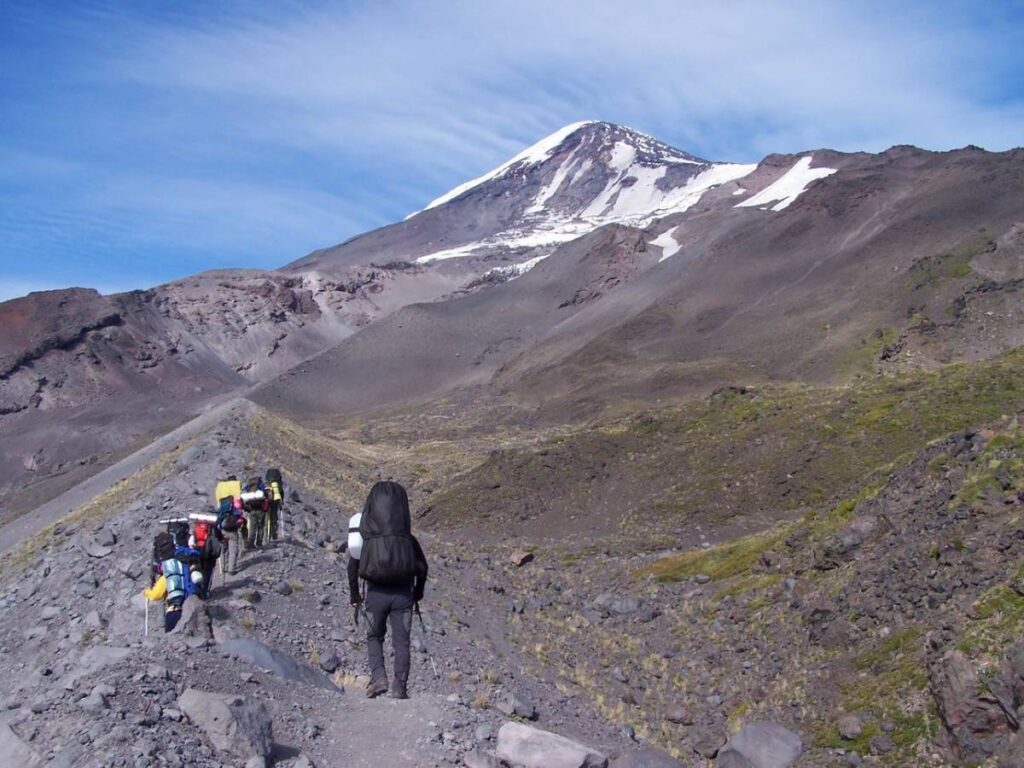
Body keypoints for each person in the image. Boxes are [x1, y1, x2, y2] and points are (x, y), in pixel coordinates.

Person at [348, 481, 428, 699]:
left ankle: (379, 678)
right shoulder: (408, 539)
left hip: (376, 595)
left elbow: (352, 566)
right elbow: (423, 567)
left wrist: (355, 596)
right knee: (402, 642)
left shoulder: (366, 538)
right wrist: (417, 593)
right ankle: (399, 687)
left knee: (374, 636)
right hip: (403, 595)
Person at [144, 532, 193, 632]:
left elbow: (155, 595)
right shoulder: (182, 566)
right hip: (188, 606)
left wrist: (146, 592)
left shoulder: (168, 575)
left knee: (173, 635)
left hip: (173, 611)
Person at [216, 496, 245, 576]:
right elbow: (240, 517)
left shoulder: (221, 509)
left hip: (222, 531)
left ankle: (223, 568)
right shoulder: (234, 508)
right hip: (233, 532)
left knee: (223, 550)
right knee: (233, 550)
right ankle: (231, 570)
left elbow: (217, 519)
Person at [265, 468, 284, 541]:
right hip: (275, 501)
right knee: (274, 517)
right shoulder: (279, 484)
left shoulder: (268, 482)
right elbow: (281, 493)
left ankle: (267, 535)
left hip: (268, 501)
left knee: (267, 517)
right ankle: (274, 534)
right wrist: (281, 502)